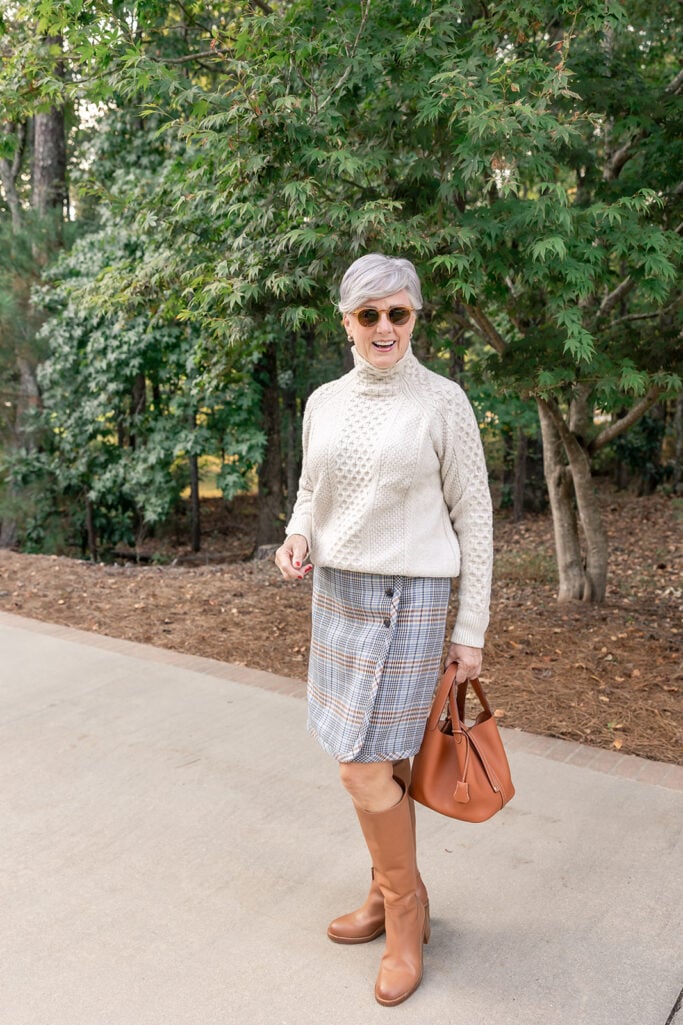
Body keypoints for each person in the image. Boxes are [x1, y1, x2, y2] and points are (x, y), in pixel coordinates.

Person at [274, 253, 493, 1007]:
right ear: (346, 321)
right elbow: (311, 490)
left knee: (361, 769)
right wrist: (297, 535)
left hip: (411, 598)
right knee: (378, 762)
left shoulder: (443, 402)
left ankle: (405, 912)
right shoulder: (324, 401)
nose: (384, 327)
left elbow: (474, 517)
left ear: (414, 318)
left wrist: (470, 629)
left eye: (397, 312)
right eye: (368, 314)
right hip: (337, 594)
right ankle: (386, 888)